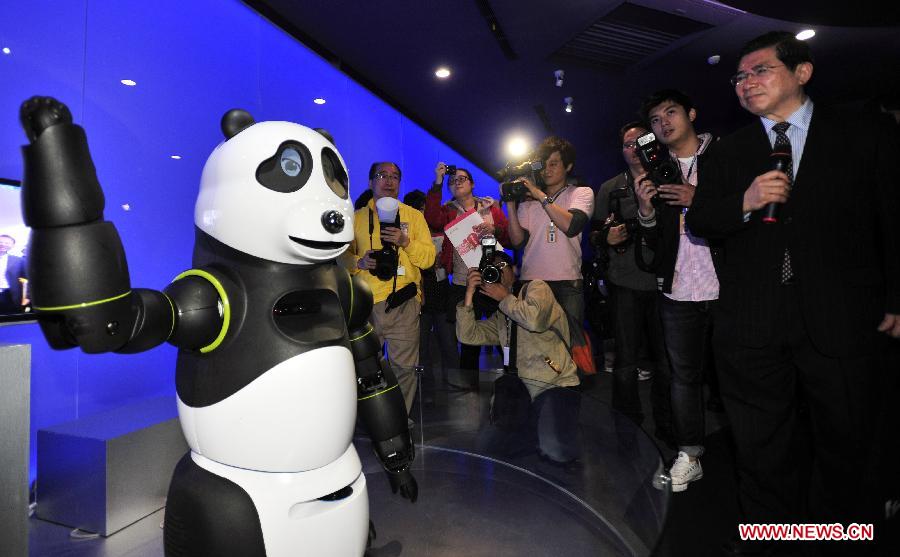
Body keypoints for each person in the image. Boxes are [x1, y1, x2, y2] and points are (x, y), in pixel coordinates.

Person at [687, 31, 900, 549]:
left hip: (842, 315)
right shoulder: (729, 150)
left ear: (801, 72)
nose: (745, 83)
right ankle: (772, 537)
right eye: (739, 76)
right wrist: (745, 199)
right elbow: (701, 220)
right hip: (752, 322)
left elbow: (892, 218)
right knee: (761, 447)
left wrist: (896, 297)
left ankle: (840, 534)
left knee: (847, 441)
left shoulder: (863, 132)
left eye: (760, 70)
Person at [633, 89, 717, 492]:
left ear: (692, 113)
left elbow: (746, 210)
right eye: (655, 119)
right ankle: (690, 453)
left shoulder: (724, 157)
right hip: (679, 287)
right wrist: (646, 212)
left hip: (729, 284)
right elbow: (654, 242)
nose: (663, 122)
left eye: (671, 112)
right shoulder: (657, 171)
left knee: (737, 374)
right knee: (682, 378)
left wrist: (696, 199)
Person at [456, 250, 581, 464]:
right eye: (491, 270)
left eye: (501, 265)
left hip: (554, 385)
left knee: (556, 453)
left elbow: (533, 320)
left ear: (514, 270)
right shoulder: (502, 314)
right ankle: (532, 433)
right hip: (520, 390)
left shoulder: (537, 288)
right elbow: (468, 335)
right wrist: (469, 294)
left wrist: (504, 297)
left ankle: (542, 435)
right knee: (488, 447)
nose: (497, 272)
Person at [593, 120, 673, 446]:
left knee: (668, 364)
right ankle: (626, 426)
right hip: (624, 280)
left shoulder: (670, 175)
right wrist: (607, 237)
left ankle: (669, 425)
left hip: (666, 281)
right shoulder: (611, 186)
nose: (634, 148)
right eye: (627, 144)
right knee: (625, 362)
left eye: (641, 141)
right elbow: (595, 233)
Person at [347, 162, 436, 414]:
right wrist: (360, 262)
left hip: (404, 301)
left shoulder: (414, 216)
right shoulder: (357, 218)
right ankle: (375, 419)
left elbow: (428, 259)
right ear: (370, 182)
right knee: (366, 367)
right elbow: (341, 259)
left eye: (395, 176)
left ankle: (399, 421)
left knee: (405, 369)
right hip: (366, 304)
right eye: (382, 175)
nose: (389, 181)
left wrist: (405, 242)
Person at [505, 136, 595, 370]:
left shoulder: (581, 193)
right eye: (544, 163)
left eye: (554, 163)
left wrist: (537, 193)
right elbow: (516, 242)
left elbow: (571, 225)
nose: (547, 169)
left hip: (567, 283)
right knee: (534, 347)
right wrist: (511, 206)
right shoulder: (528, 202)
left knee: (569, 348)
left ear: (568, 166)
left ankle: (570, 397)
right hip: (532, 281)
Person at [424, 163, 509, 374]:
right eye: (452, 181)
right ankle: (469, 386)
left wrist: (495, 229)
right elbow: (431, 218)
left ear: (472, 183)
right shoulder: (449, 211)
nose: (456, 183)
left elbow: (508, 237)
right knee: (468, 337)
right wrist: (438, 181)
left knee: (503, 332)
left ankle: (512, 375)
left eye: (461, 179)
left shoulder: (490, 207)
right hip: (463, 283)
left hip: (493, 280)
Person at [404, 189, 458, 392]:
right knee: (421, 346)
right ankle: (424, 388)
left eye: (424, 208)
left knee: (448, 342)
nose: (422, 212)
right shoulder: (407, 234)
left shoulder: (439, 230)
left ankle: (453, 381)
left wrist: (441, 259)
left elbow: (449, 260)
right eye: (418, 208)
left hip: (442, 291)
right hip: (420, 294)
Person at [0, 234, 27, 313]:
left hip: (10, 295)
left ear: (12, 245)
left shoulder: (19, 261)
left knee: (10, 319)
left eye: (7, 243)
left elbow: (26, 280)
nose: (3, 244)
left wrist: (27, 297)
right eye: (1, 242)